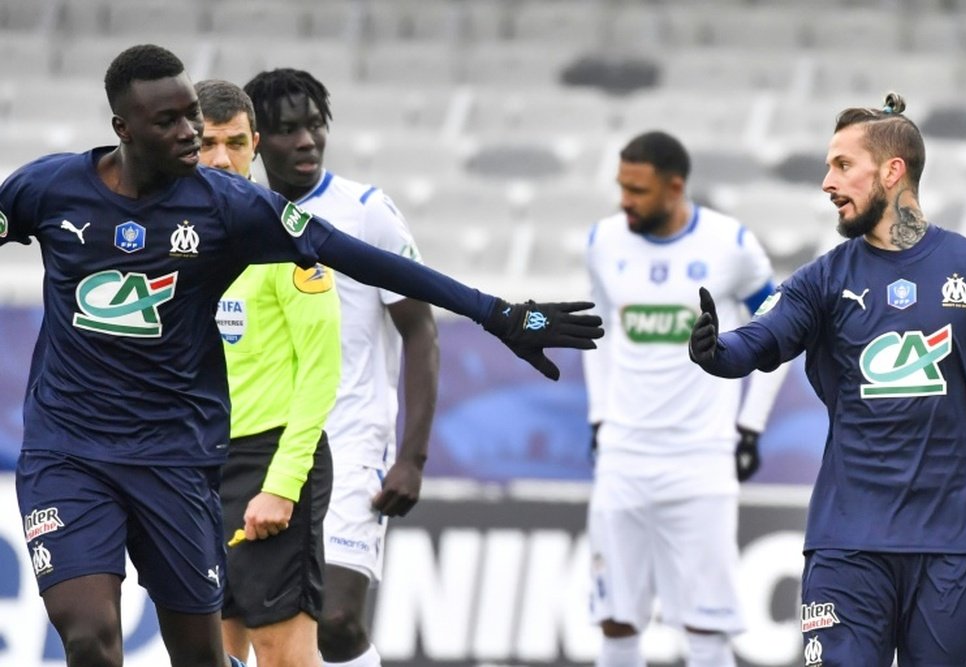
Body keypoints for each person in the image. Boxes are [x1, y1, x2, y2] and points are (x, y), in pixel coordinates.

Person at [2, 44, 602, 667]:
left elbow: (363, 259)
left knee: (210, 657)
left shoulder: (228, 209)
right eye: (171, 123)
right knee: (89, 639)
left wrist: (497, 313)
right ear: (122, 130)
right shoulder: (48, 189)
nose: (189, 133)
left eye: (192, 116)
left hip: (174, 460)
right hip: (68, 452)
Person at [689, 92, 966, 665]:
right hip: (848, 545)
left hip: (951, 544)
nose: (827, 182)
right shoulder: (822, 280)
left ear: (892, 170)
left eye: (842, 165)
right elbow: (758, 342)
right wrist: (716, 350)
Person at [243, 68, 439, 667]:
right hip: (264, 445)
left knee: (336, 620)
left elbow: (420, 329)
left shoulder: (366, 212)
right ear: (255, 140)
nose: (305, 140)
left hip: (352, 440)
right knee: (263, 626)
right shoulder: (237, 218)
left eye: (314, 125)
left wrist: (411, 456)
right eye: (285, 129)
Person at [583, 130, 787, 667]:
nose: (625, 200)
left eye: (638, 190)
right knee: (616, 620)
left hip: (702, 459)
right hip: (623, 457)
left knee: (707, 626)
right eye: (621, 186)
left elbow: (781, 333)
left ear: (676, 187)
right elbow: (596, 334)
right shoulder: (603, 241)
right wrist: (599, 416)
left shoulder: (733, 245)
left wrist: (751, 427)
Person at [196, 78, 340, 667]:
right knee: (209, 652)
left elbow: (322, 368)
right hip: (197, 464)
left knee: (283, 655)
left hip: (268, 461)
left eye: (235, 142)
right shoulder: (174, 241)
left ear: (255, 144)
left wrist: (282, 483)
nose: (222, 157)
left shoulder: (285, 234)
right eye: (207, 143)